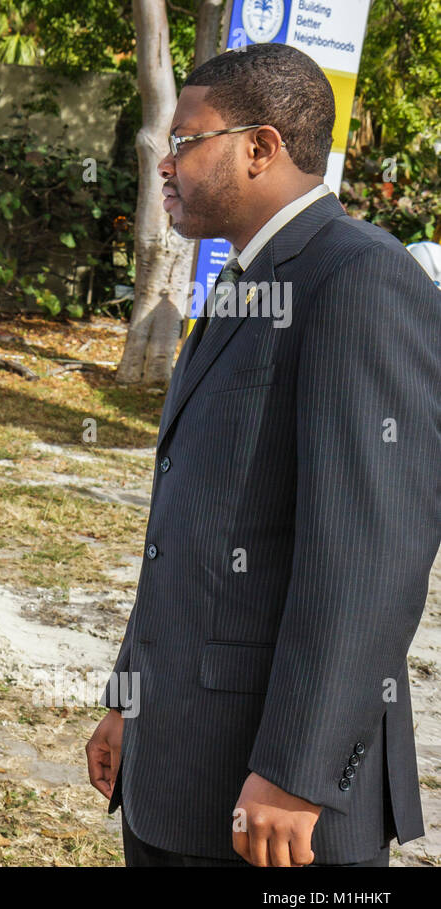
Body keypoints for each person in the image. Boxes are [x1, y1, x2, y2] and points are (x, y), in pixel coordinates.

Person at [86, 43, 441, 867]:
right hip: (180, 765)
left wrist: (297, 773)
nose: (165, 165)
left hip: (271, 798)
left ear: (261, 147)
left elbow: (372, 556)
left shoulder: (360, 278)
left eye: (186, 141)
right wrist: (127, 698)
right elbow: (191, 530)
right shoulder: (250, 276)